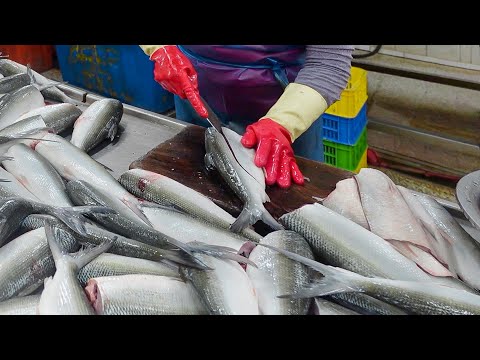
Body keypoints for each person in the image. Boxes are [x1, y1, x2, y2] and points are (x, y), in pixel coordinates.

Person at [140, 45, 354, 189]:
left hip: (287, 109)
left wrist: (284, 123)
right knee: (197, 185)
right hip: (195, 95)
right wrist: (160, 49)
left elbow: (329, 65)